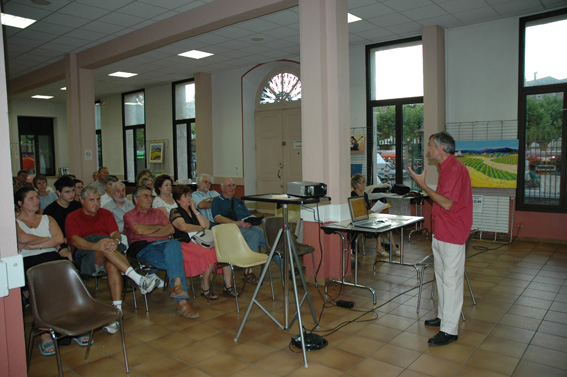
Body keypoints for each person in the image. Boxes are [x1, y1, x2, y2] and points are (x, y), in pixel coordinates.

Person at [66, 186, 160, 334]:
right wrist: (97, 245)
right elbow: (76, 241)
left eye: (98, 199)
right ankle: (138, 279)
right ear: (81, 200)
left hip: (109, 252)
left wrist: (115, 241)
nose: (96, 203)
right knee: (104, 245)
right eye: (91, 200)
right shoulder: (72, 216)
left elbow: (115, 233)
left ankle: (117, 313)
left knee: (112, 266)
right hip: (86, 254)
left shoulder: (106, 214)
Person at [409, 131, 473, 347]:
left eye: (430, 146)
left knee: (451, 280)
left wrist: (423, 186)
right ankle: (444, 317)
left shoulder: (456, 169)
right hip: (442, 232)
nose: (428, 150)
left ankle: (450, 330)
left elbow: (447, 203)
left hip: (453, 234)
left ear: (441, 148)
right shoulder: (445, 169)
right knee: (442, 277)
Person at [14, 187, 77, 355]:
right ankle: (45, 333)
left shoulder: (47, 218)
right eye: (31, 198)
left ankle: (71, 325)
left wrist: (35, 244)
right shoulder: (14, 221)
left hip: (50, 256)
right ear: (20, 203)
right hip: (27, 260)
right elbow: (22, 238)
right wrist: (48, 241)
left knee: (68, 279)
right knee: (40, 289)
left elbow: (60, 239)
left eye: (36, 197)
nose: (36, 200)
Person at [124, 186, 199, 319]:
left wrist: (151, 230)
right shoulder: (129, 215)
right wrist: (159, 228)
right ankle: (182, 301)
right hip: (142, 247)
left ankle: (178, 288)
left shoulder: (158, 213)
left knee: (175, 243)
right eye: (145, 196)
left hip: (164, 244)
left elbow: (170, 229)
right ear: (135, 199)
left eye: (151, 196)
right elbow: (139, 231)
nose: (149, 199)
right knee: (175, 261)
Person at [170, 185, 235, 298]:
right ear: (178, 200)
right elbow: (183, 227)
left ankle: (228, 286)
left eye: (189, 196)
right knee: (208, 253)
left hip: (200, 241)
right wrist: (199, 228)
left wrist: (195, 210)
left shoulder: (193, 211)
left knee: (224, 250)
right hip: (185, 244)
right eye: (185, 197)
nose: (189, 199)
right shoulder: (175, 211)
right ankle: (205, 287)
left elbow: (206, 225)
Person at [211, 178, 269, 284]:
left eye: (233, 185)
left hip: (246, 225)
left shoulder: (238, 200)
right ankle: (248, 272)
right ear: (222, 187)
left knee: (265, 235)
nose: (232, 188)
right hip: (231, 228)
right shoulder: (217, 201)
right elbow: (217, 218)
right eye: (229, 186)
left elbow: (248, 215)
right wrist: (237, 223)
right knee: (253, 235)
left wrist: (252, 220)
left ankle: (287, 267)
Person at [350, 174, 397, 258]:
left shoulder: (365, 195)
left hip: (368, 217)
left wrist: (376, 209)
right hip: (359, 220)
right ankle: (379, 248)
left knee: (385, 225)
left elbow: (368, 208)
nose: (363, 185)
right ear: (355, 185)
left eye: (363, 182)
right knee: (378, 226)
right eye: (360, 183)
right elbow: (356, 211)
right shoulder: (352, 195)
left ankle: (394, 247)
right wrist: (368, 211)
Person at [44, 176, 82, 248]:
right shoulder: (50, 210)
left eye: (73, 191)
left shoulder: (78, 206)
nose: (71, 194)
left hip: (79, 240)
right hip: (62, 243)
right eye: (67, 192)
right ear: (58, 192)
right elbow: (48, 234)